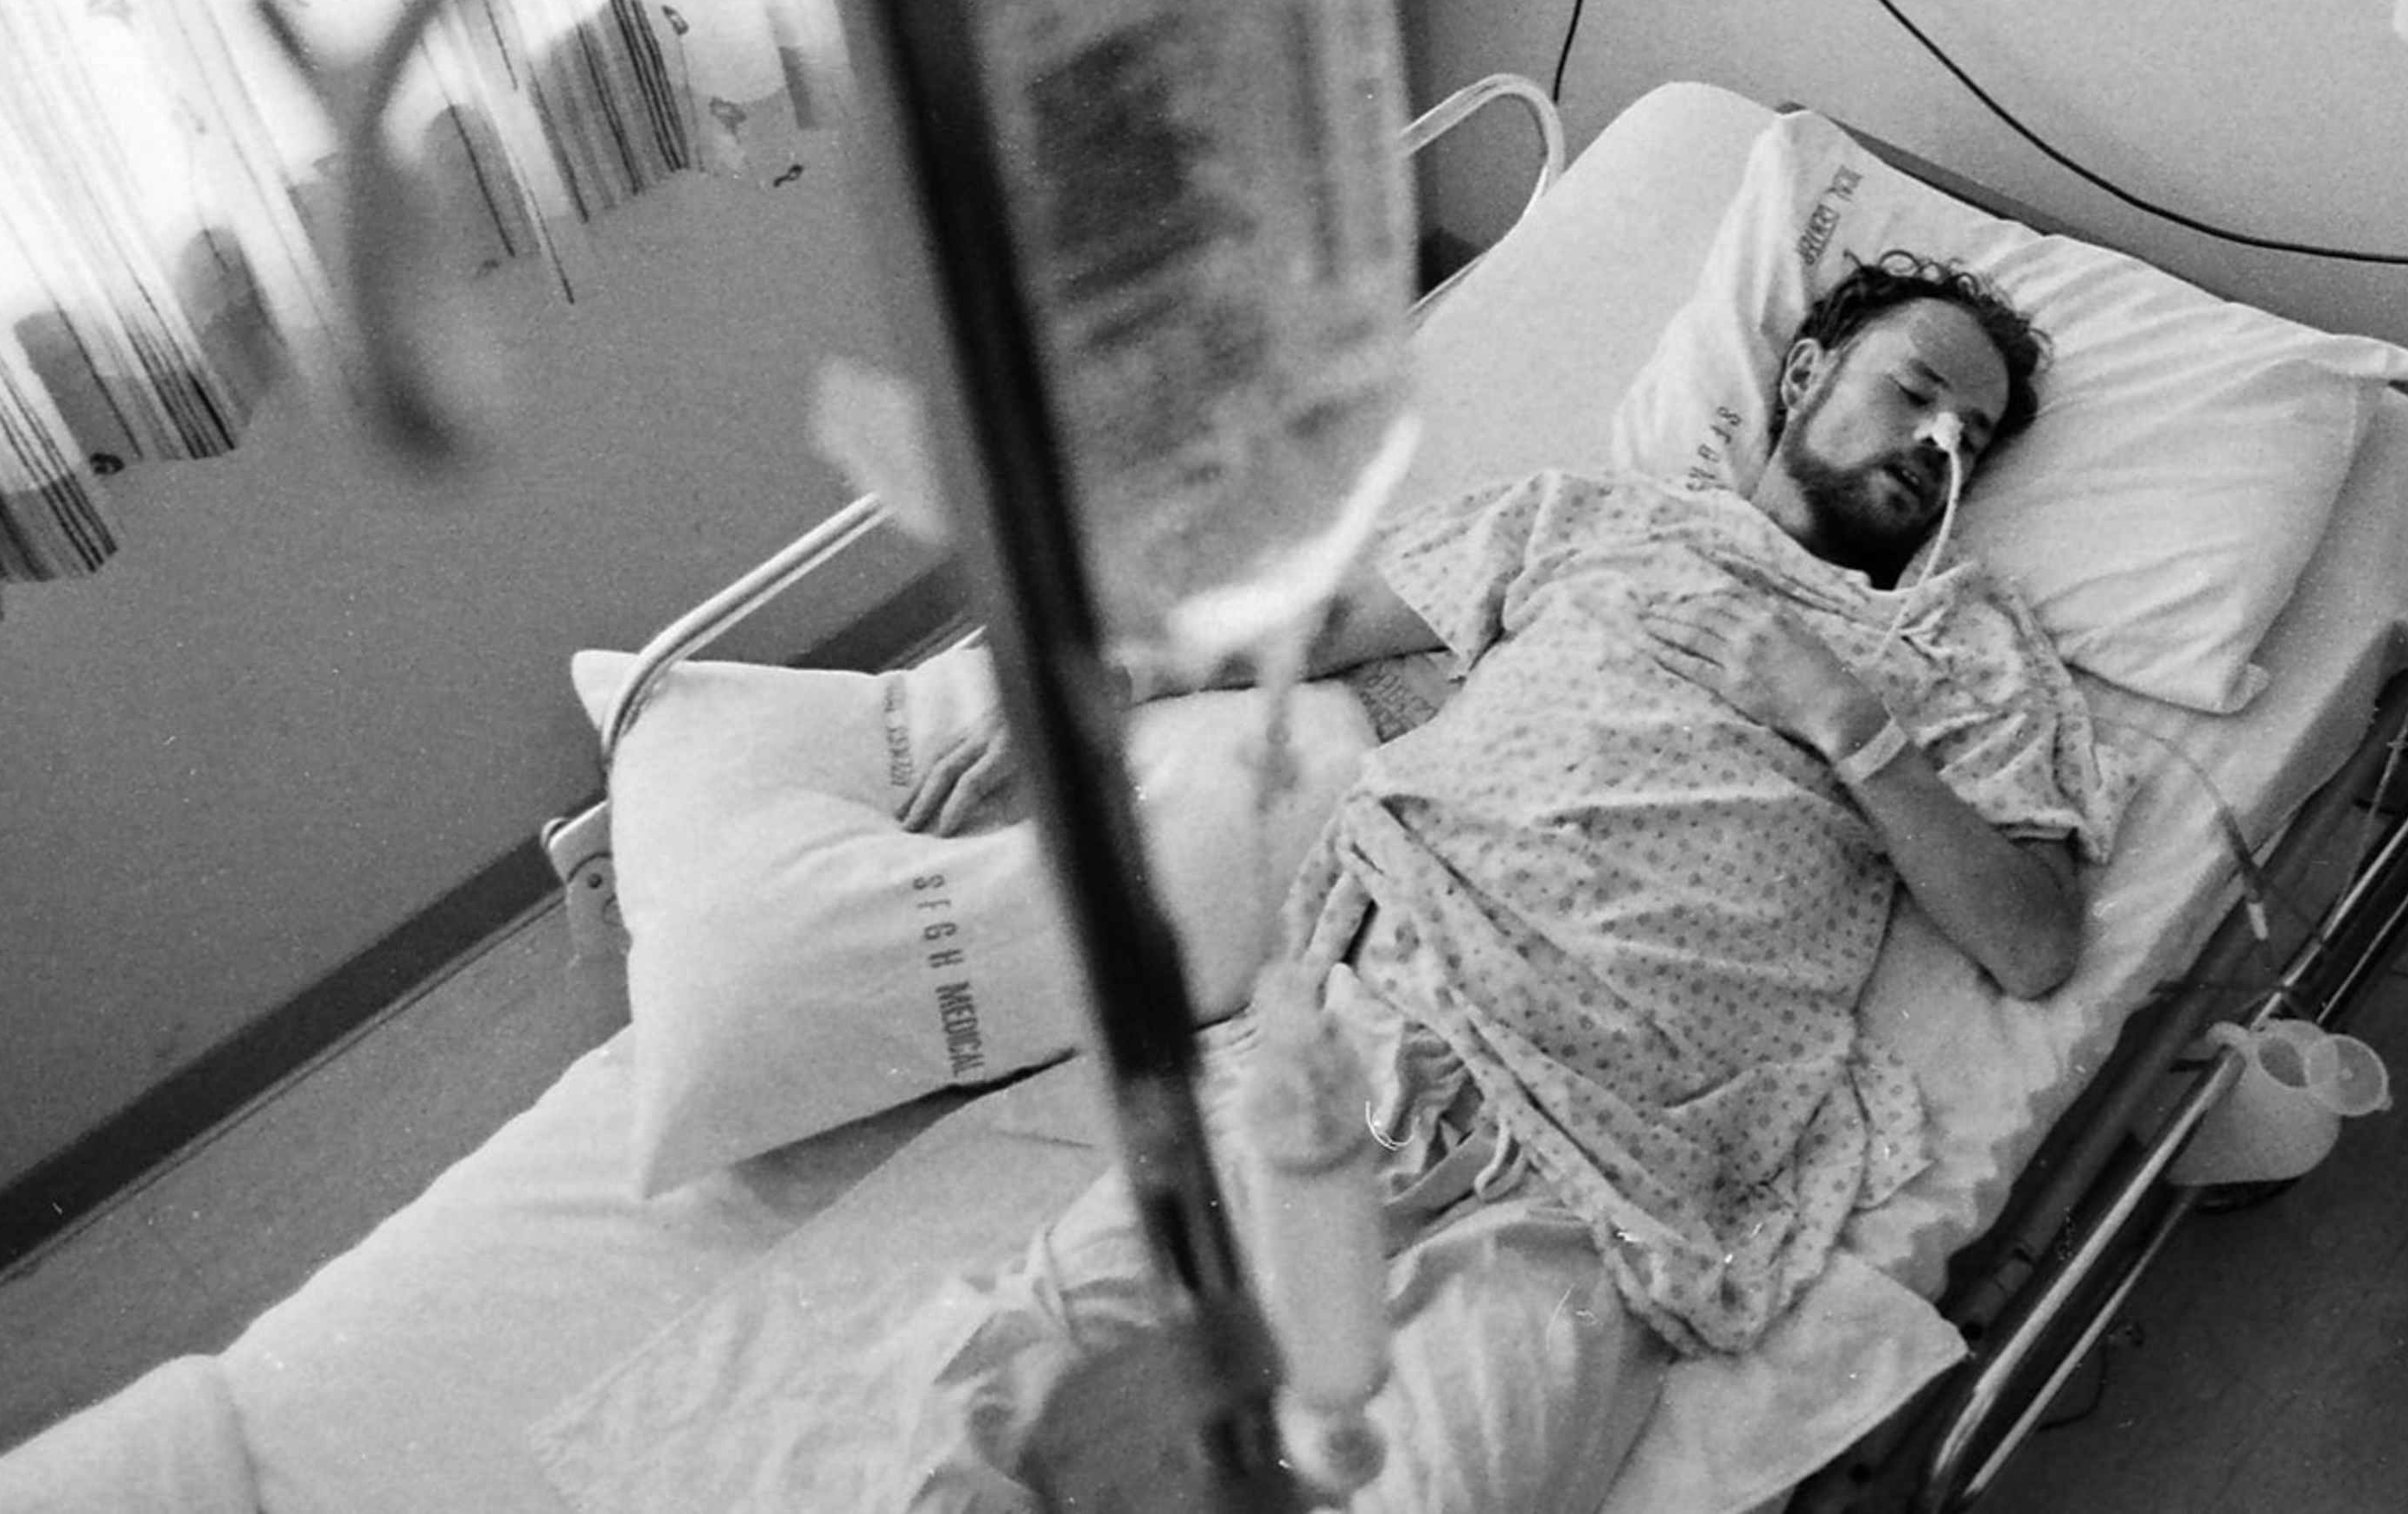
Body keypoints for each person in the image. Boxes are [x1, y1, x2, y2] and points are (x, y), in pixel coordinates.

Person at [878, 252, 2117, 1512]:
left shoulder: (1963, 653)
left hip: (1608, 1183)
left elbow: (2032, 944)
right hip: (1382, 1028)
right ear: (1804, 374)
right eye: (1914, 391)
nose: (1936, 442)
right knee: (1015, 1382)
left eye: (1970, 436)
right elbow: (1314, 625)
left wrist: (1847, 722)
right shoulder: (1598, 521)